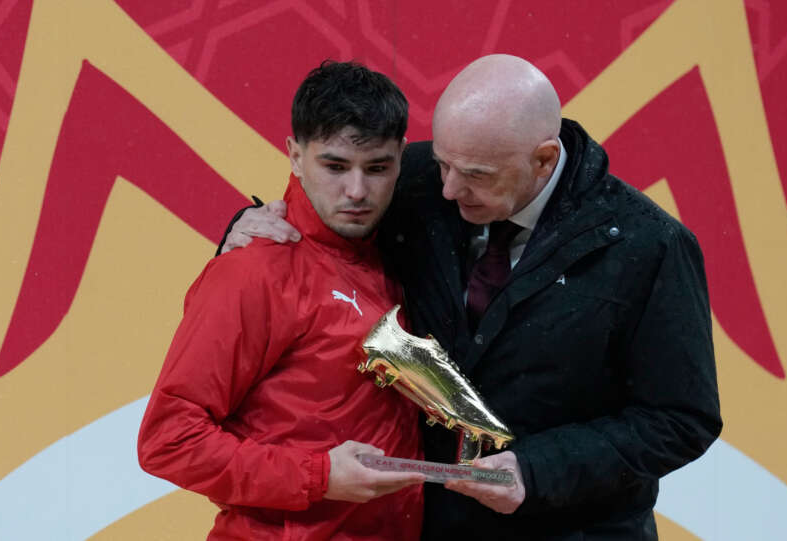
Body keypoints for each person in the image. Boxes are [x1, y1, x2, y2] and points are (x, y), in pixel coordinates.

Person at [220, 54, 722, 540]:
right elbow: (324, 214)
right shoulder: (420, 179)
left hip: (574, 527)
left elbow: (681, 419)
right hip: (433, 526)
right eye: (442, 164)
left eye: (477, 176)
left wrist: (537, 470)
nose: (448, 189)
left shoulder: (649, 245)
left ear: (544, 159)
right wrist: (246, 227)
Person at [138, 61, 427, 540]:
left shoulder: (402, 248)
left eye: (377, 168)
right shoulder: (254, 270)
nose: (357, 191)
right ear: (294, 155)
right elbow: (169, 440)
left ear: (401, 157)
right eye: (334, 166)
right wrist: (318, 475)